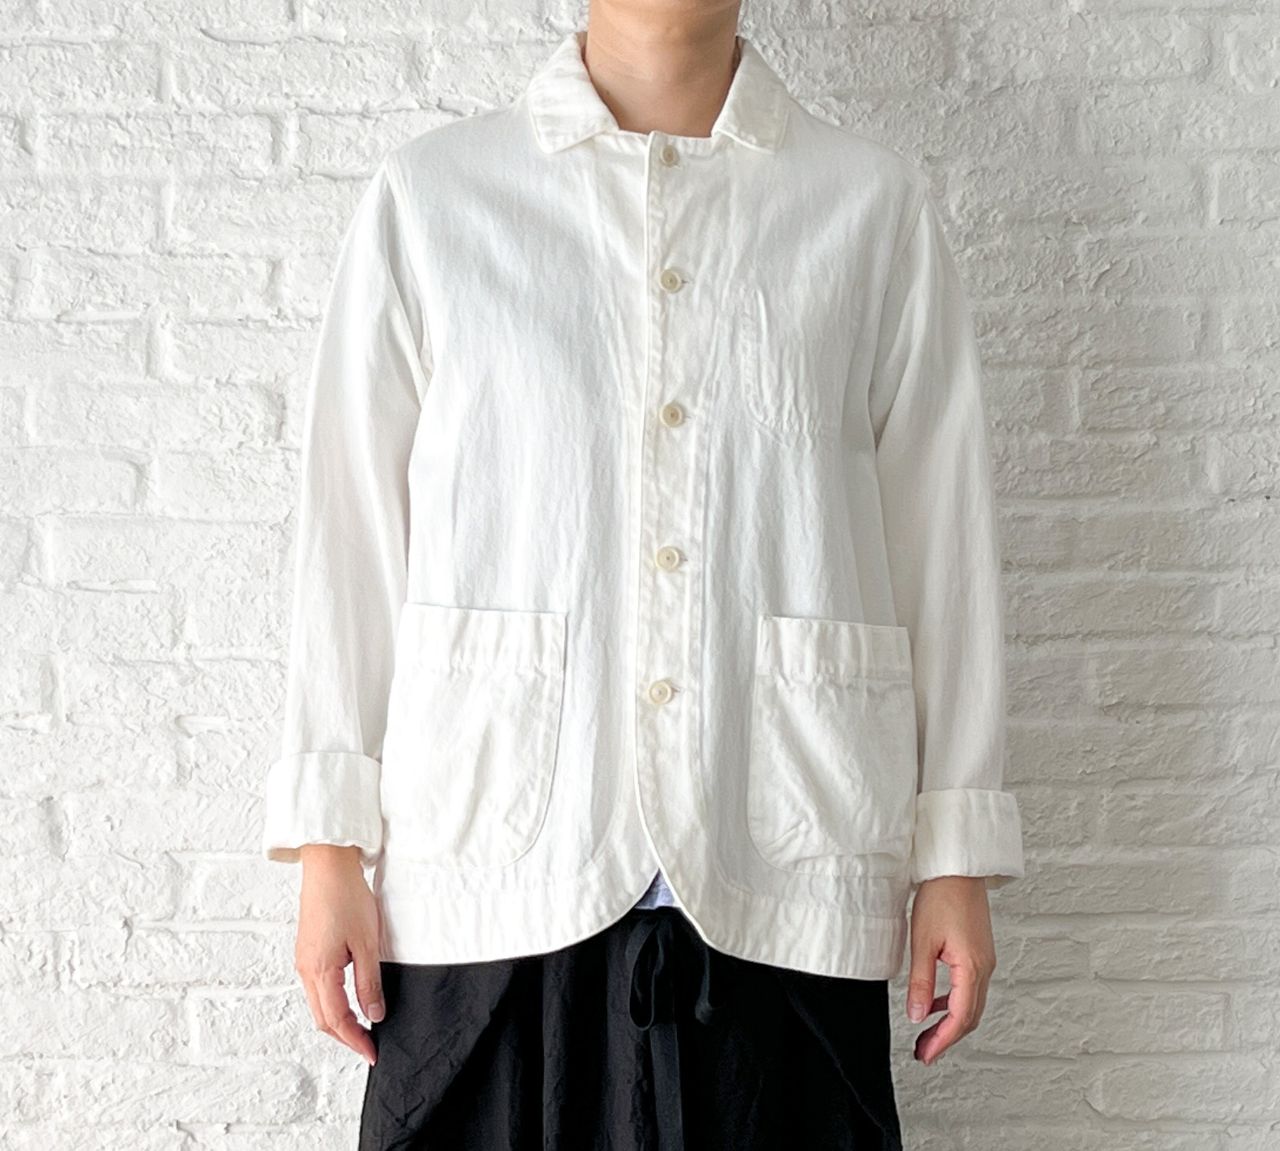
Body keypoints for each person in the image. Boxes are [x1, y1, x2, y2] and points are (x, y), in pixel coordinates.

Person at [262, 4, 1026, 1148]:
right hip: (492, 868)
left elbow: (939, 540)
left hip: (780, 864)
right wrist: (330, 846)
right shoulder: (432, 201)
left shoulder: (869, 210)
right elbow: (353, 532)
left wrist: (952, 855)